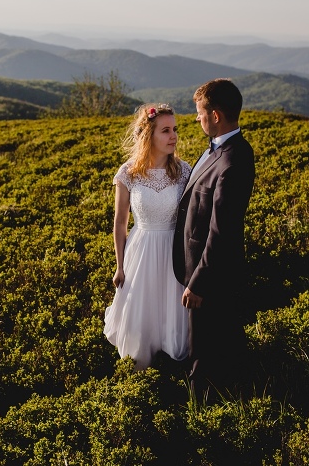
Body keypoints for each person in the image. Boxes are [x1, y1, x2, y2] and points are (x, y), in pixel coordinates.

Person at [172, 78, 255, 399]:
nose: (197, 118)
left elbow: (223, 230)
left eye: (200, 112)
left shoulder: (234, 161)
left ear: (216, 115)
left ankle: (201, 416)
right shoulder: (216, 151)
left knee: (203, 353)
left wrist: (199, 282)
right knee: (206, 345)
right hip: (196, 269)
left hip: (211, 277)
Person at [104, 103, 192, 370]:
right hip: (140, 251)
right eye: (165, 130)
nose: (173, 136)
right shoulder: (128, 173)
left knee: (172, 314)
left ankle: (175, 369)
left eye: (175, 129)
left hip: (174, 252)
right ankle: (142, 372)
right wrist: (119, 266)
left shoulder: (184, 171)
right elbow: (120, 224)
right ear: (148, 135)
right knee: (142, 315)